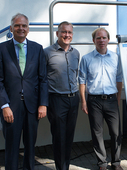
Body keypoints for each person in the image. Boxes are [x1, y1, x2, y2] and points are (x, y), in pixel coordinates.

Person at [0, 13, 48, 170]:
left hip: (32, 107)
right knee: (11, 147)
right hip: (11, 107)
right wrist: (4, 106)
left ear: (28, 29)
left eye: (24, 25)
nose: (21, 28)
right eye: (17, 25)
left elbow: (43, 79)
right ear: (11, 28)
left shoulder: (38, 49)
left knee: (30, 146)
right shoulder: (1, 49)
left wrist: (43, 104)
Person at [78, 28, 123, 170]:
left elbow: (119, 79)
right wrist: (83, 101)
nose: (101, 40)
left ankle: (116, 162)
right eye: (98, 38)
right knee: (97, 133)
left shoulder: (116, 58)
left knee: (116, 132)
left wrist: (118, 99)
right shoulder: (86, 59)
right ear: (93, 41)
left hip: (111, 100)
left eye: (104, 38)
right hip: (94, 101)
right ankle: (102, 163)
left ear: (108, 40)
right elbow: (82, 81)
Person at [44, 21, 80, 170]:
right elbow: (41, 78)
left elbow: (76, 75)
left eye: (69, 32)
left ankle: (66, 166)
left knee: (69, 137)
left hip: (73, 99)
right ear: (57, 33)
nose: (67, 35)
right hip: (56, 100)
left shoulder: (76, 53)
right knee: (59, 137)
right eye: (64, 32)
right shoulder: (47, 52)